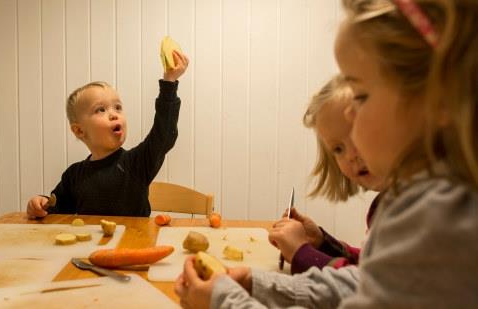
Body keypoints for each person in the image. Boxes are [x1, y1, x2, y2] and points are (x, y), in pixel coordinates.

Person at [174, 0, 478, 307]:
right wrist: (258, 283)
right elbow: (361, 283)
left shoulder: (439, 221)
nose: (349, 111)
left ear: (437, 95)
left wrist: (224, 302)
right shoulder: (430, 204)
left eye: (359, 95)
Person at [27, 50, 189, 218]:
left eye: (117, 107)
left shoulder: (137, 163)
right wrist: (40, 204)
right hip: (91, 244)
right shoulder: (73, 176)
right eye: (101, 109)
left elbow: (164, 135)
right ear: (79, 130)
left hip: (135, 242)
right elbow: (55, 211)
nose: (114, 114)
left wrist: (169, 83)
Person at [270, 75, 385, 275]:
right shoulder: (388, 203)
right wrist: (323, 243)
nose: (351, 156)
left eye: (358, 137)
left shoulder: (412, 211)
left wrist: (301, 253)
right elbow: (371, 265)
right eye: (338, 149)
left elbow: (363, 284)